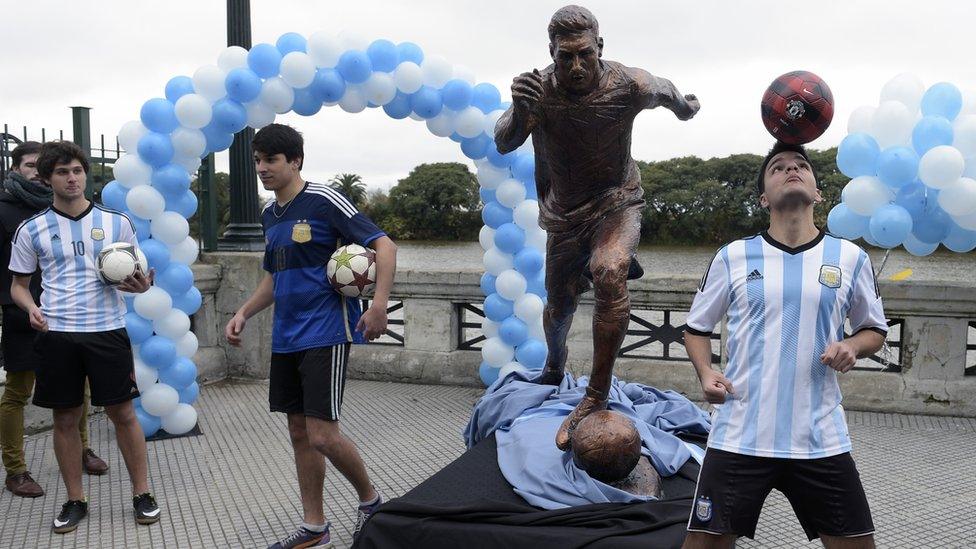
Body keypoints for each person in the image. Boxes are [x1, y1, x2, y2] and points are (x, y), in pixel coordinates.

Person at [494, 5, 701, 450]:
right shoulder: (538, 93)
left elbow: (668, 93)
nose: (575, 66)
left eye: (584, 54)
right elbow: (504, 140)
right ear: (550, 53)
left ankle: (595, 393)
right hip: (565, 215)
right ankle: (555, 363)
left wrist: (686, 108)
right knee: (559, 307)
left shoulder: (629, 85)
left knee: (609, 271)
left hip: (617, 202)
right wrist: (518, 110)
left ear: (599, 48)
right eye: (564, 57)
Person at [681, 141, 887, 549]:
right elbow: (696, 328)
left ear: (818, 191)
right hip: (739, 433)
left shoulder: (850, 258)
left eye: (800, 166)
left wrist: (852, 345)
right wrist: (706, 373)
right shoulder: (733, 256)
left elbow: (874, 330)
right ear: (763, 197)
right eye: (777, 167)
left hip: (820, 437)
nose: (790, 169)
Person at [224, 124, 397, 549]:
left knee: (323, 434)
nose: (262, 169)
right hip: (286, 336)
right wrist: (244, 311)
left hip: (325, 331)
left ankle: (372, 502)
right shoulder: (269, 215)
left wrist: (378, 305)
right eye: (257, 161)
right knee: (299, 433)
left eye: (271, 160)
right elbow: (273, 277)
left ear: (296, 160)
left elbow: (385, 245)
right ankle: (315, 528)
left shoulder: (323, 200)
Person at [9, 140, 160, 533]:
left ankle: (142, 493)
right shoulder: (32, 228)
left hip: (107, 331)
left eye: (77, 170)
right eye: (62, 172)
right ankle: (75, 499)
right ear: (47, 178)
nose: (72, 178)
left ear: (85, 173)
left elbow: (135, 276)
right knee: (65, 418)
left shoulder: (118, 223)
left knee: (123, 414)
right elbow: (19, 286)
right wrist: (31, 308)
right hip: (57, 334)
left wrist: (140, 287)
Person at [0, 141, 108, 499]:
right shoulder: (5, 210)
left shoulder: (59, 208)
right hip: (21, 315)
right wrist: (21, 304)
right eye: (29, 165)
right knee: (17, 392)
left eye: (39, 165)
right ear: (17, 169)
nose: (36, 171)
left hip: (65, 319)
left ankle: (81, 449)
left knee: (80, 389)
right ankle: (15, 469)